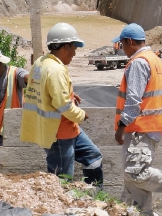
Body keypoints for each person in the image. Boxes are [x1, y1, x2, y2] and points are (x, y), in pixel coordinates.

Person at [113, 23, 162, 216]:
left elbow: (134, 99)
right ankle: (142, 212)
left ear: (129, 41)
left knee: (136, 172)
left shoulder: (138, 62)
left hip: (140, 127)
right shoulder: (153, 59)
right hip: (146, 127)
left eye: (122, 45)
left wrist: (122, 126)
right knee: (132, 178)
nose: (122, 49)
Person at [20, 23, 103, 185]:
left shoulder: (41, 63)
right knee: (62, 180)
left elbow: (47, 91)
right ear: (65, 47)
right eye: (74, 47)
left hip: (66, 130)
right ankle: (62, 208)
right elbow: (62, 105)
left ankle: (92, 200)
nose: (74, 53)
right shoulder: (56, 70)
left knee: (93, 156)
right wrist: (80, 115)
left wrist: (69, 93)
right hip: (58, 134)